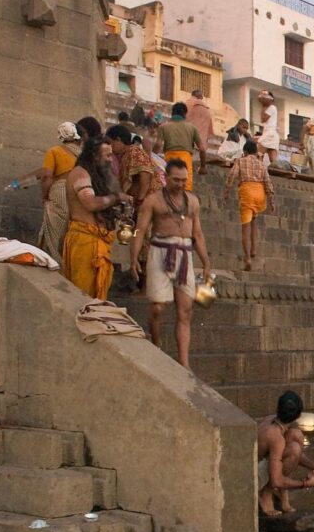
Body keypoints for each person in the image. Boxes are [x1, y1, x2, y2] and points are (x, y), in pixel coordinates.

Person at [129, 159, 211, 368]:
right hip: (160, 251)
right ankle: (156, 342)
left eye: (184, 180)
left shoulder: (192, 201)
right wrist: (133, 258)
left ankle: (184, 363)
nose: (181, 184)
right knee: (157, 307)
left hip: (185, 254)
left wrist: (206, 263)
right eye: (177, 180)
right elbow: (140, 230)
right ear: (166, 177)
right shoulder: (153, 200)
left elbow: (198, 234)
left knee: (185, 310)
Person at [62, 138, 129, 299]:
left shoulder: (92, 175)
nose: (110, 159)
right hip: (85, 244)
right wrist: (117, 198)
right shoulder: (80, 173)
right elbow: (91, 204)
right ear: (94, 155)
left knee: (95, 300)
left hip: (96, 243)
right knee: (83, 300)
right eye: (107, 156)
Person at [257, 391, 314, 517]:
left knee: (296, 434)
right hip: (255, 476)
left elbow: (294, 455)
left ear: (277, 409)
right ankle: (266, 493)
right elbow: (276, 480)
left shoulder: (271, 420)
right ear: (298, 416)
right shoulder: (276, 437)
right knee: (294, 449)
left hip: (265, 462)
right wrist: (305, 484)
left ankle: (283, 492)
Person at [223, 140, 275, 271]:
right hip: (260, 193)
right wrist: (271, 201)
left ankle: (247, 258)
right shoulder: (261, 164)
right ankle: (253, 250)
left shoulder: (240, 161)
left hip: (247, 192)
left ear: (244, 152)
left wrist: (226, 193)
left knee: (245, 227)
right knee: (254, 222)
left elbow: (232, 175)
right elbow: (268, 182)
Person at [38, 122, 83, 263]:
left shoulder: (54, 151)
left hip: (60, 191)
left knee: (54, 230)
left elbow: (47, 177)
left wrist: (45, 196)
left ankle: (53, 262)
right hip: (78, 193)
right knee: (70, 230)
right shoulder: (83, 156)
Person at [157, 102, 207, 193]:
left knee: (167, 189)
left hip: (169, 161)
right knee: (185, 190)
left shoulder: (163, 127)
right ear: (185, 114)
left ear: (172, 113)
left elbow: (158, 145)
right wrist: (203, 166)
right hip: (185, 162)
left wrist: (151, 157)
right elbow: (202, 149)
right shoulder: (192, 128)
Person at [256, 91, 279, 164]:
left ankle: (258, 170)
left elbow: (263, 119)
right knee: (273, 159)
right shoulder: (271, 108)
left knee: (259, 154)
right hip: (271, 134)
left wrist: (263, 106)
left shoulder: (272, 107)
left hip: (269, 133)